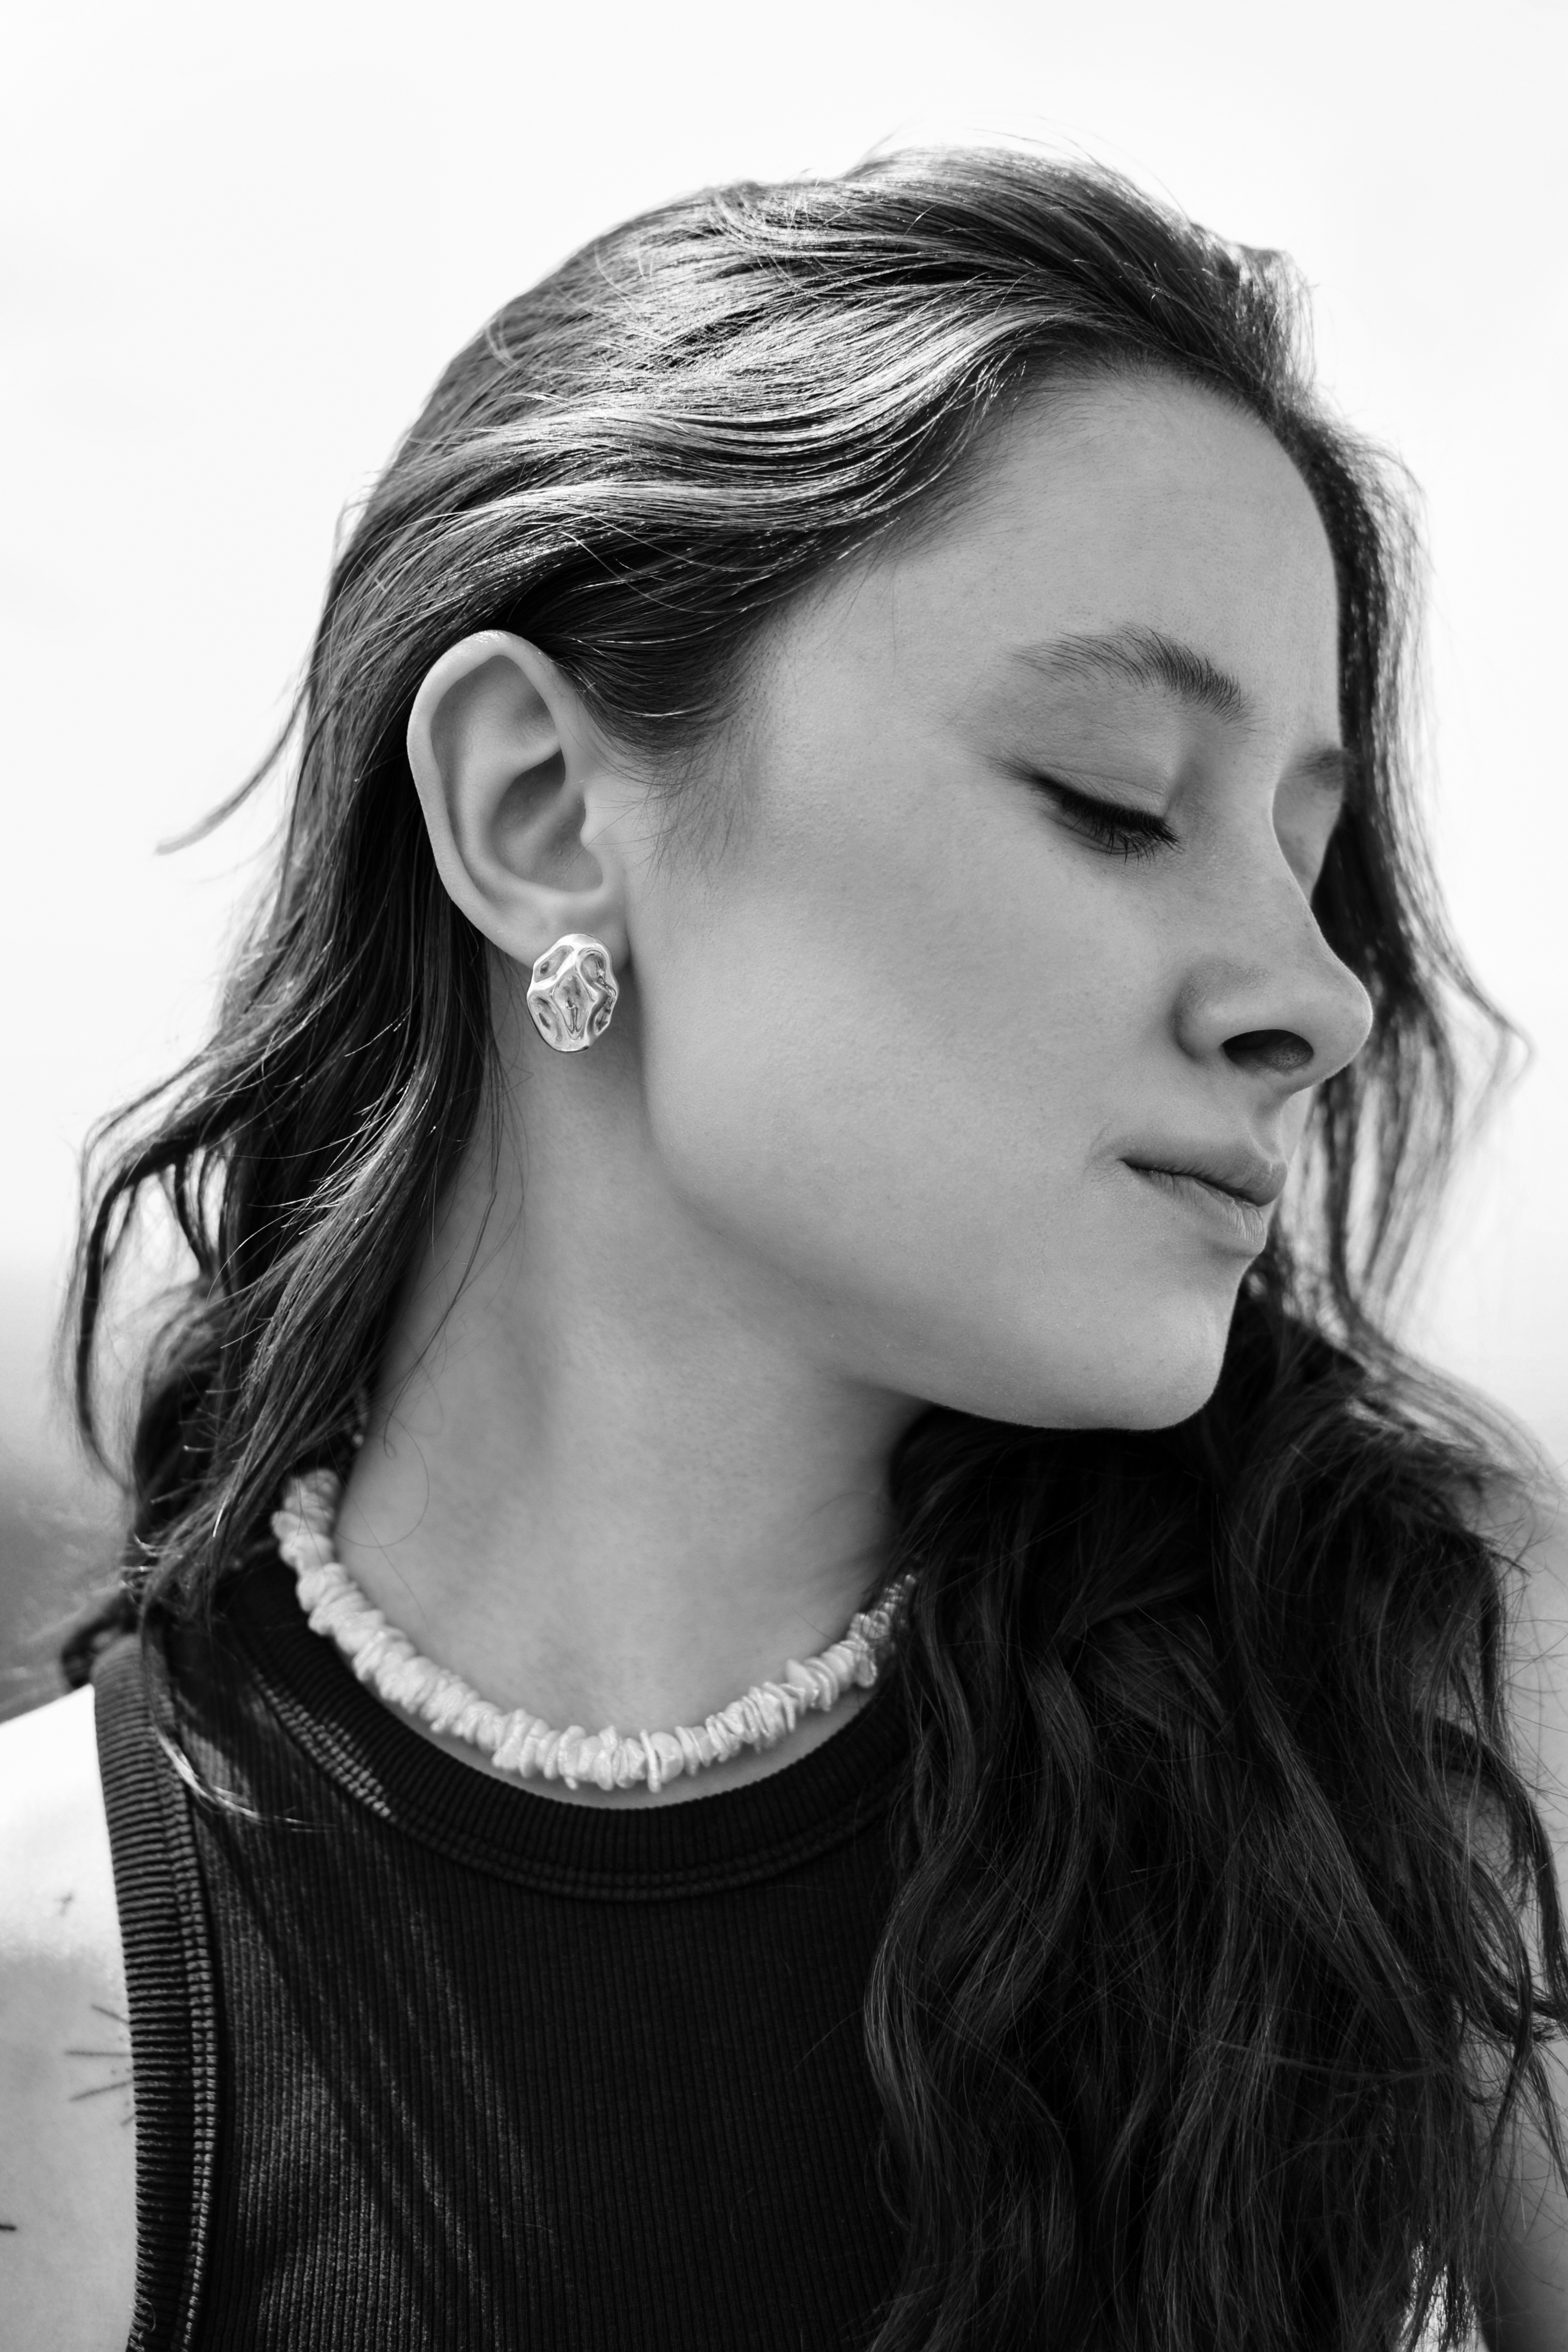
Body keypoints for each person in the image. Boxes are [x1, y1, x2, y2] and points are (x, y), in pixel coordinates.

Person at [1, 145, 1564, 2352]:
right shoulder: (57, 1973)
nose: (1314, 998)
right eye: (1115, 797)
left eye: (1307, 862)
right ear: (540, 813)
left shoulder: (1431, 1705)